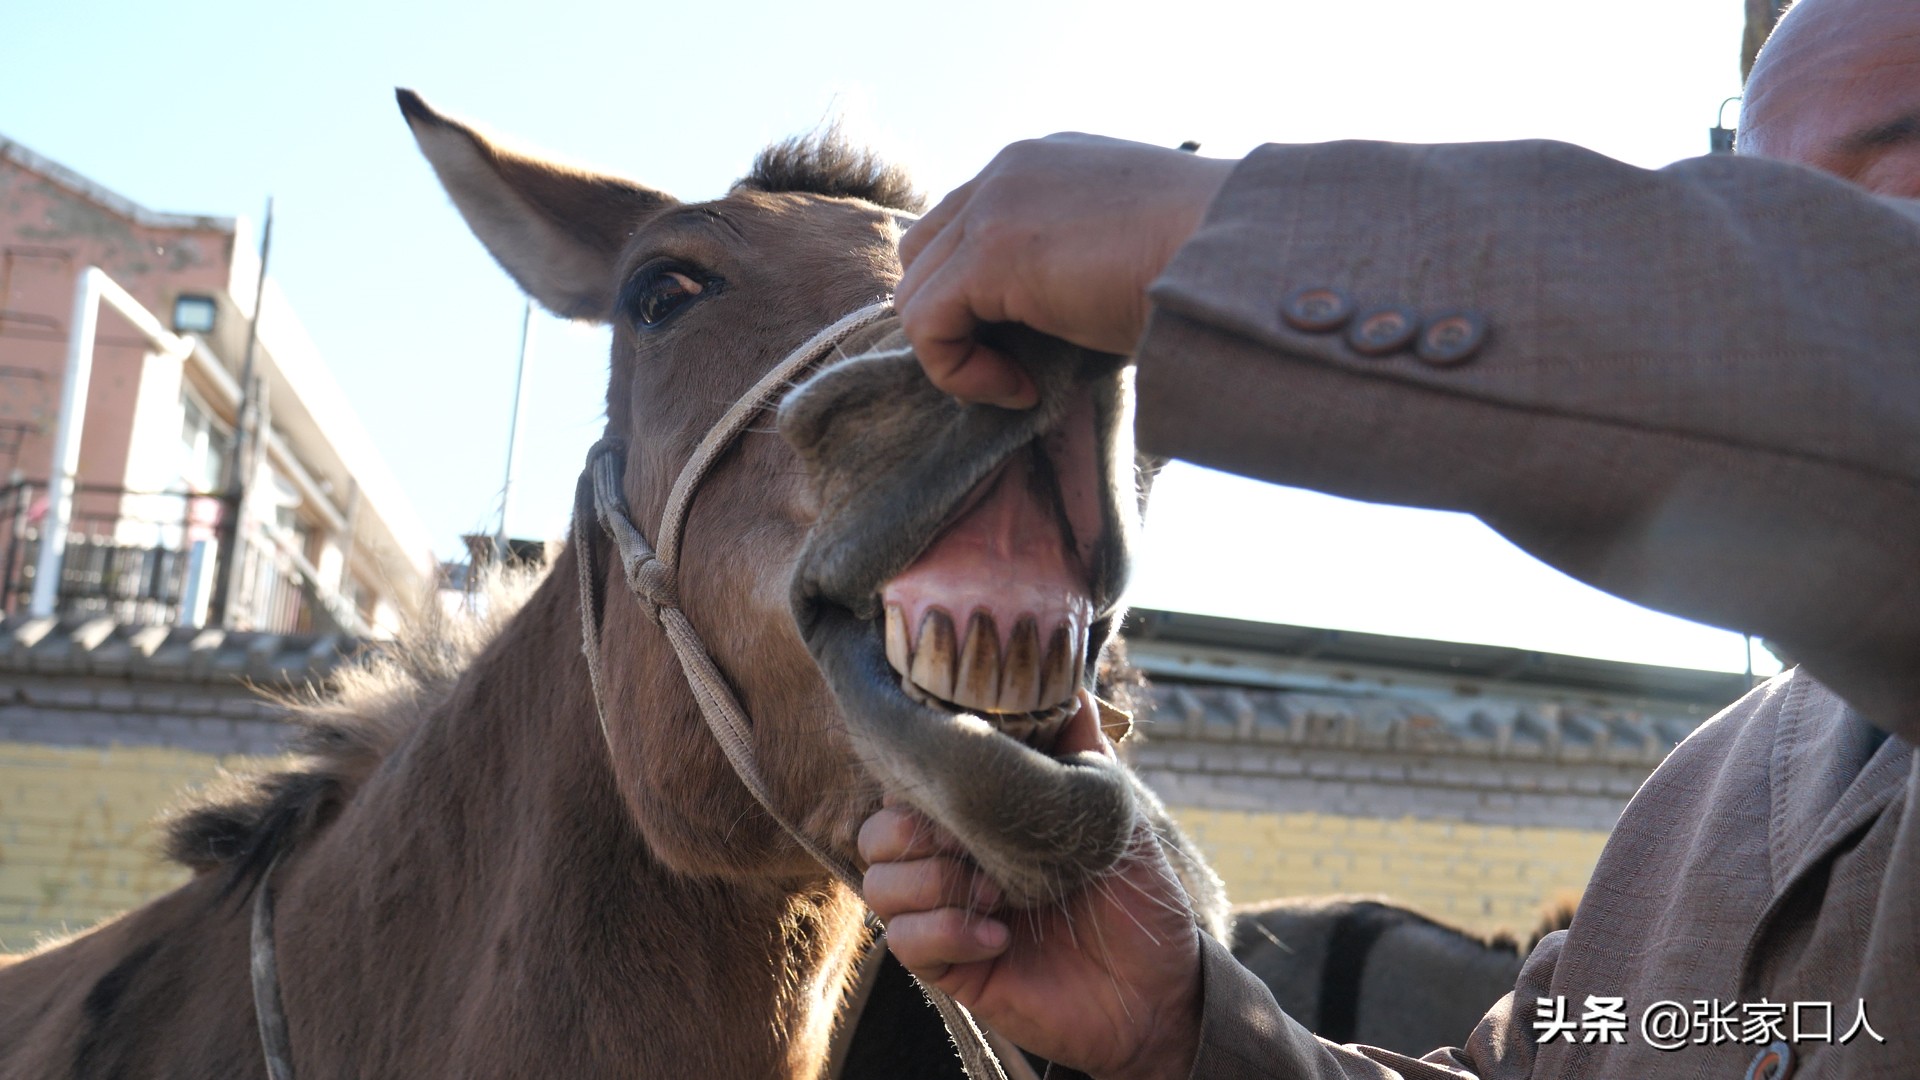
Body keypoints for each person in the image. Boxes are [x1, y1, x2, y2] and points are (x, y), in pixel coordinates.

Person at [860, 0, 1920, 1076]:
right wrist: (1185, 1031)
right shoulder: (1699, 806)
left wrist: (1226, 242)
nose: (1792, 254)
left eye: (1884, 215)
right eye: (1754, 204)